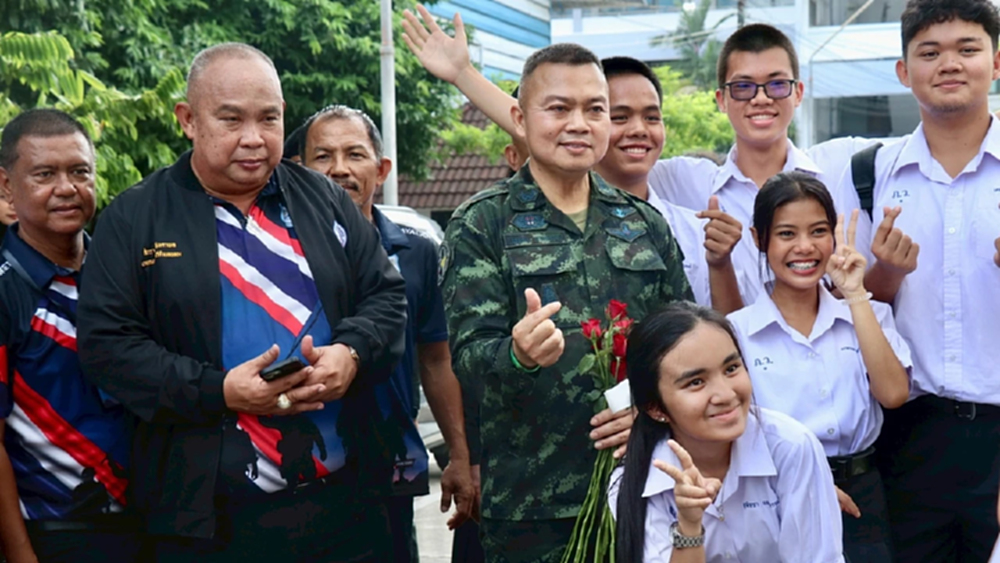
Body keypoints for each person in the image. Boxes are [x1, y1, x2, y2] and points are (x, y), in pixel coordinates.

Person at [76, 43, 408, 561]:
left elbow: (386, 297)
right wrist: (220, 391)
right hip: (206, 521)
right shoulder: (135, 218)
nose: (253, 138)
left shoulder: (323, 199)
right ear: (188, 120)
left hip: (345, 504)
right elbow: (107, 347)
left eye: (268, 118)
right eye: (231, 119)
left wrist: (352, 353)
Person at [439, 42, 693, 561]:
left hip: (643, 489)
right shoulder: (482, 223)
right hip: (535, 509)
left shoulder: (643, 222)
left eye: (595, 109)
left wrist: (651, 409)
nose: (578, 124)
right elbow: (467, 359)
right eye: (558, 108)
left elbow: (687, 345)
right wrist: (517, 355)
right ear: (520, 118)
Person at [402, 10, 744, 313]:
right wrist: (463, 74)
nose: (638, 130)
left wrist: (720, 262)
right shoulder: (485, 222)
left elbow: (688, 336)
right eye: (620, 116)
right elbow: (538, 123)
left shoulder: (669, 202)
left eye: (652, 117)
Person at [831, 0, 1000, 559]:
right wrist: (888, 272)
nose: (949, 63)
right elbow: (856, 308)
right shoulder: (869, 174)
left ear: (996, 62)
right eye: (930, 52)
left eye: (967, 48)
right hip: (907, 436)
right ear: (904, 72)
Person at [299, 104, 475, 562]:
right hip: (299, 462)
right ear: (298, 169)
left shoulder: (416, 252)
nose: (339, 168)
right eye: (323, 156)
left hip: (388, 460)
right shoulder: (278, 253)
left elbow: (436, 358)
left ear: (381, 170)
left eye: (354, 154)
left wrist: (459, 455)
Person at [726, 172, 911, 562]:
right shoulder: (736, 332)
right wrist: (812, 484)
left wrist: (855, 293)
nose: (805, 247)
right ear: (759, 239)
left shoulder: (867, 314)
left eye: (818, 231)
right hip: (777, 493)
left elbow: (894, 394)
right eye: (786, 234)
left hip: (862, 494)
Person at [0, 109, 141, 563]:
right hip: (55, 531)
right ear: (6, 186)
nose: (66, 188)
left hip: (150, 526)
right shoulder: (6, 291)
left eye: (80, 172)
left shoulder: (124, 272)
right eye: (45, 174)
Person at [610, 302, 845, 562]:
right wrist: (689, 525)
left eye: (731, 368)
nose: (725, 394)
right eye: (696, 382)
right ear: (655, 407)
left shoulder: (791, 447)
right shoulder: (636, 480)